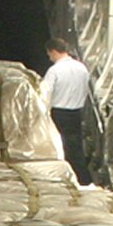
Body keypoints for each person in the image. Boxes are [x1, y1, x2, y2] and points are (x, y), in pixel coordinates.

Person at [42, 36, 92, 185]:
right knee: (75, 148)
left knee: (58, 147)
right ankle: (83, 179)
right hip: (76, 113)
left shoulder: (55, 70)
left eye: (49, 54)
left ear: (53, 51)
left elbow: (45, 92)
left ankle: (62, 179)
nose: (49, 58)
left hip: (59, 113)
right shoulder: (81, 68)